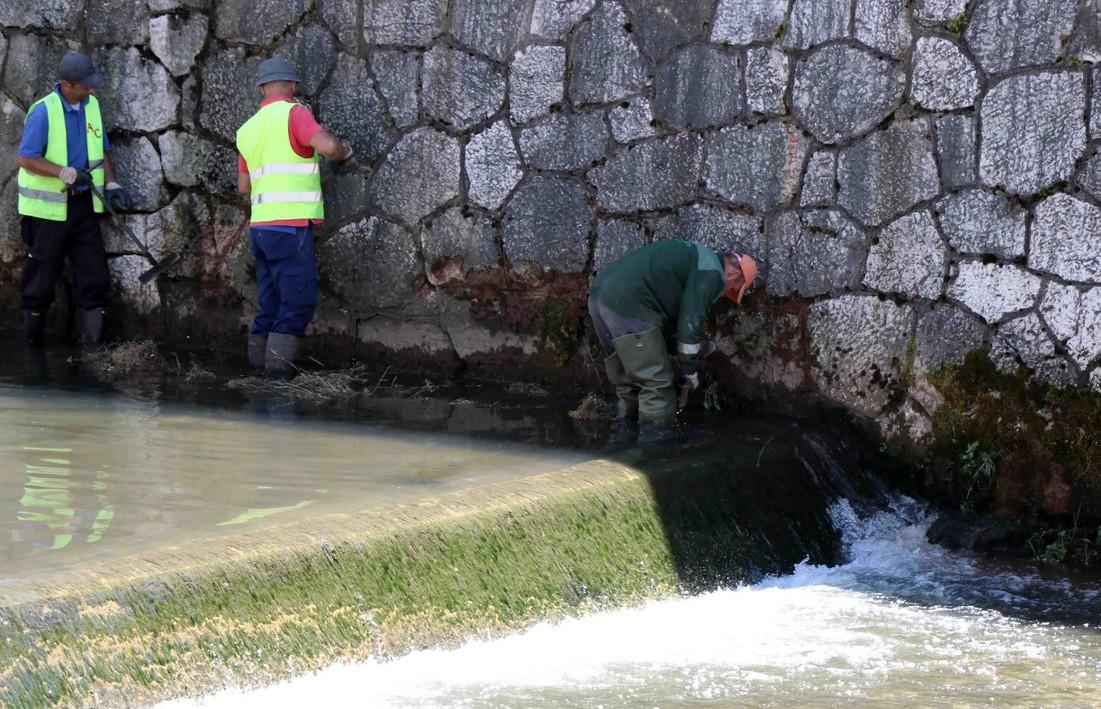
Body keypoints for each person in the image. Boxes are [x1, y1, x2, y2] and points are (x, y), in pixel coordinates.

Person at [236, 58, 353, 379]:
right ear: (293, 86)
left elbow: (244, 187)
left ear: (261, 89)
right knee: (297, 303)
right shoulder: (295, 114)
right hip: (291, 227)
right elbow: (328, 147)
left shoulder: (246, 130)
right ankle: (277, 381)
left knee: (270, 304)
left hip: (260, 229)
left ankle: (256, 376)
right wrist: (345, 152)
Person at [16, 52, 132, 349]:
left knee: (93, 276)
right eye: (85, 86)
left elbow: (101, 151)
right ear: (67, 84)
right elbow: (26, 158)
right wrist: (64, 173)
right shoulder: (43, 111)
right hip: (48, 212)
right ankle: (33, 352)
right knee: (40, 281)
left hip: (83, 206)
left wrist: (112, 182)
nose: (92, 90)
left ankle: (92, 350)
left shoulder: (92, 106)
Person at [588, 240, 758, 434]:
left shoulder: (693, 257)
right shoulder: (711, 271)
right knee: (656, 384)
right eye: (733, 289)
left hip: (599, 297)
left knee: (628, 383)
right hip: (629, 303)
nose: (725, 293)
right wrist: (689, 372)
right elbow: (689, 324)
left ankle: (623, 440)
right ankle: (655, 448)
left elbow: (667, 325)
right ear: (733, 274)